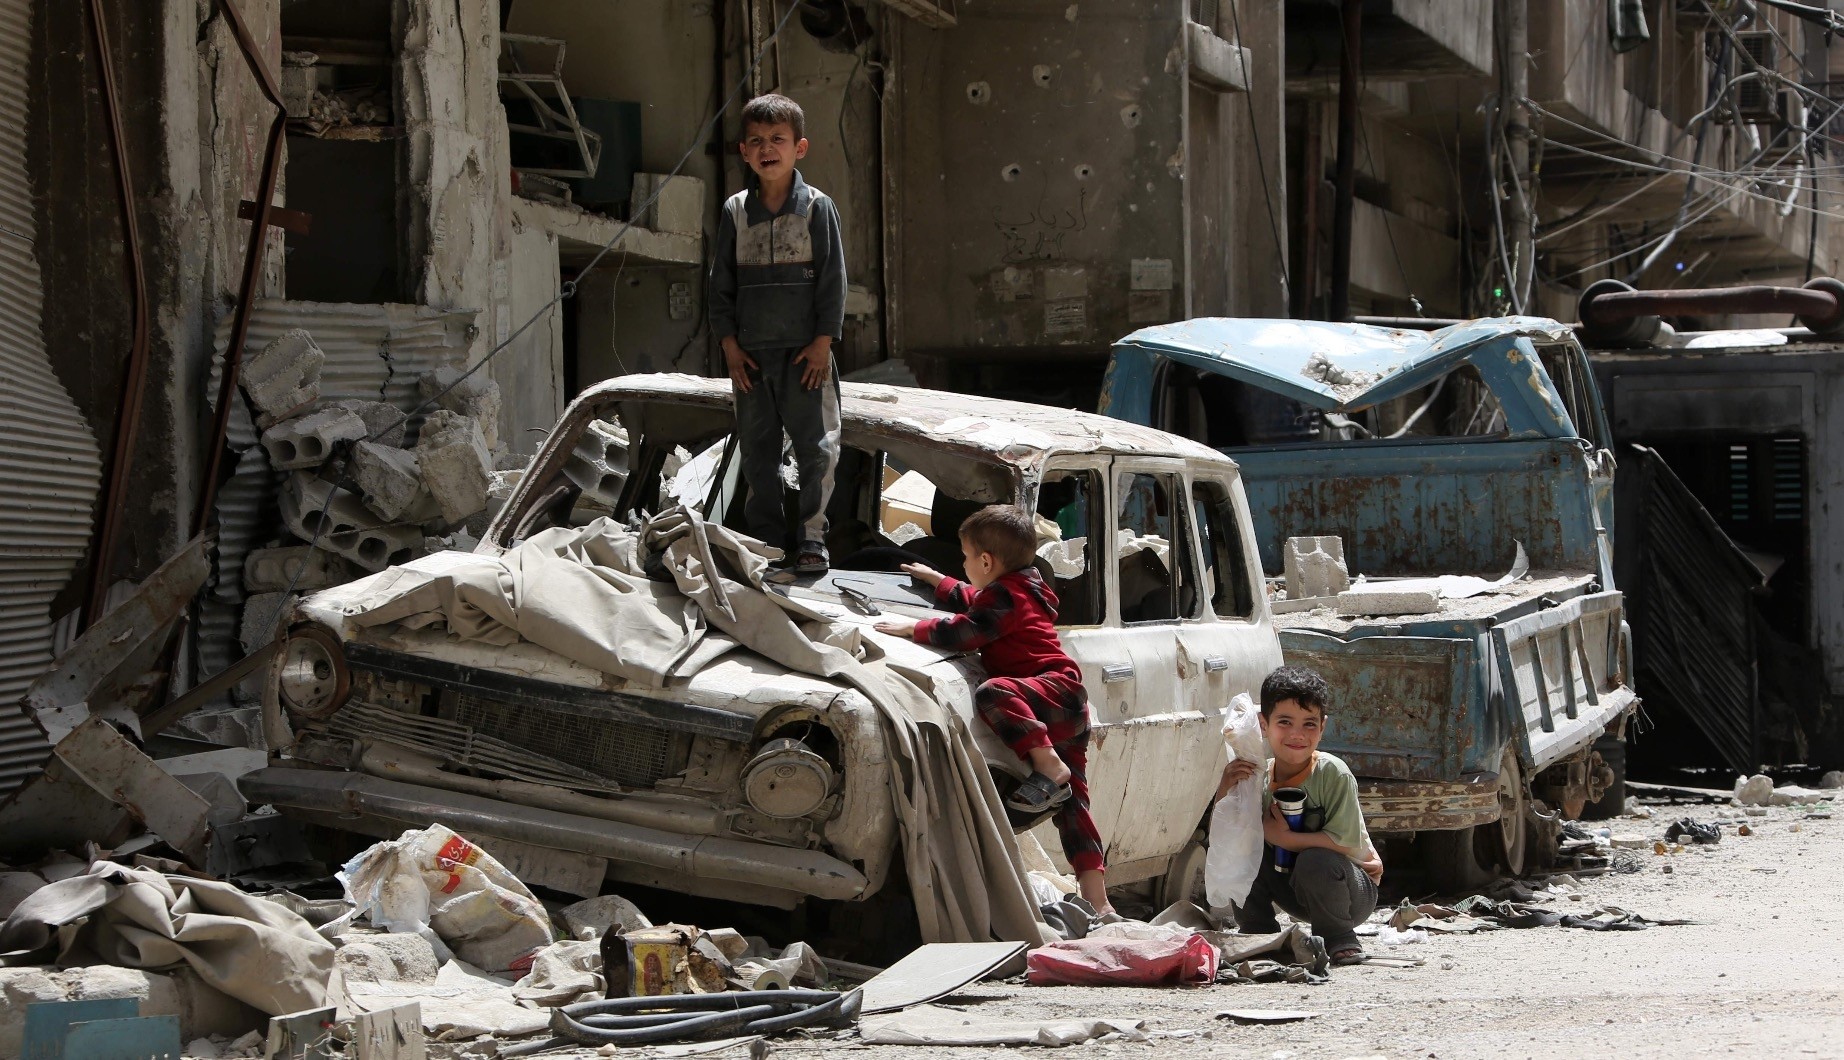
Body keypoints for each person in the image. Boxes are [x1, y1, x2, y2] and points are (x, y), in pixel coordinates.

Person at [871, 505, 1111, 914]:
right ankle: (1100, 903)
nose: (963, 565)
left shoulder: (1005, 596)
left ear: (985, 561)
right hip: (1065, 699)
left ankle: (1048, 765)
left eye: (964, 557)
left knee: (992, 692)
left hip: (1046, 691)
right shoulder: (1023, 587)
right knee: (1075, 808)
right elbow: (976, 599)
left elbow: (968, 630)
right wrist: (939, 581)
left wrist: (915, 628)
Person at [708, 93, 848, 575]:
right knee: (758, 450)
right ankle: (763, 538)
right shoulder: (735, 212)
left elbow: (833, 280)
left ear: (799, 148)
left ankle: (812, 536)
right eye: (757, 141)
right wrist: (729, 345)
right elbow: (720, 285)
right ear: (744, 152)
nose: (768, 148)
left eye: (778, 139)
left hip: (805, 356)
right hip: (749, 358)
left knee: (817, 447)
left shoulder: (816, 208)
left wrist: (822, 343)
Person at [1219, 665, 1383, 965]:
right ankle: (1259, 934)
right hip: (1291, 888)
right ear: (1263, 724)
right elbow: (1230, 831)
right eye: (1285, 722)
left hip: (1349, 891)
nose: (1297, 734)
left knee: (1316, 859)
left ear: (1322, 727)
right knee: (1242, 849)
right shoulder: (1260, 775)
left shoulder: (1333, 773)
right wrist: (1226, 789)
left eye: (1309, 724)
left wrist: (1285, 838)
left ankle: (1338, 937)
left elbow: (1345, 843)